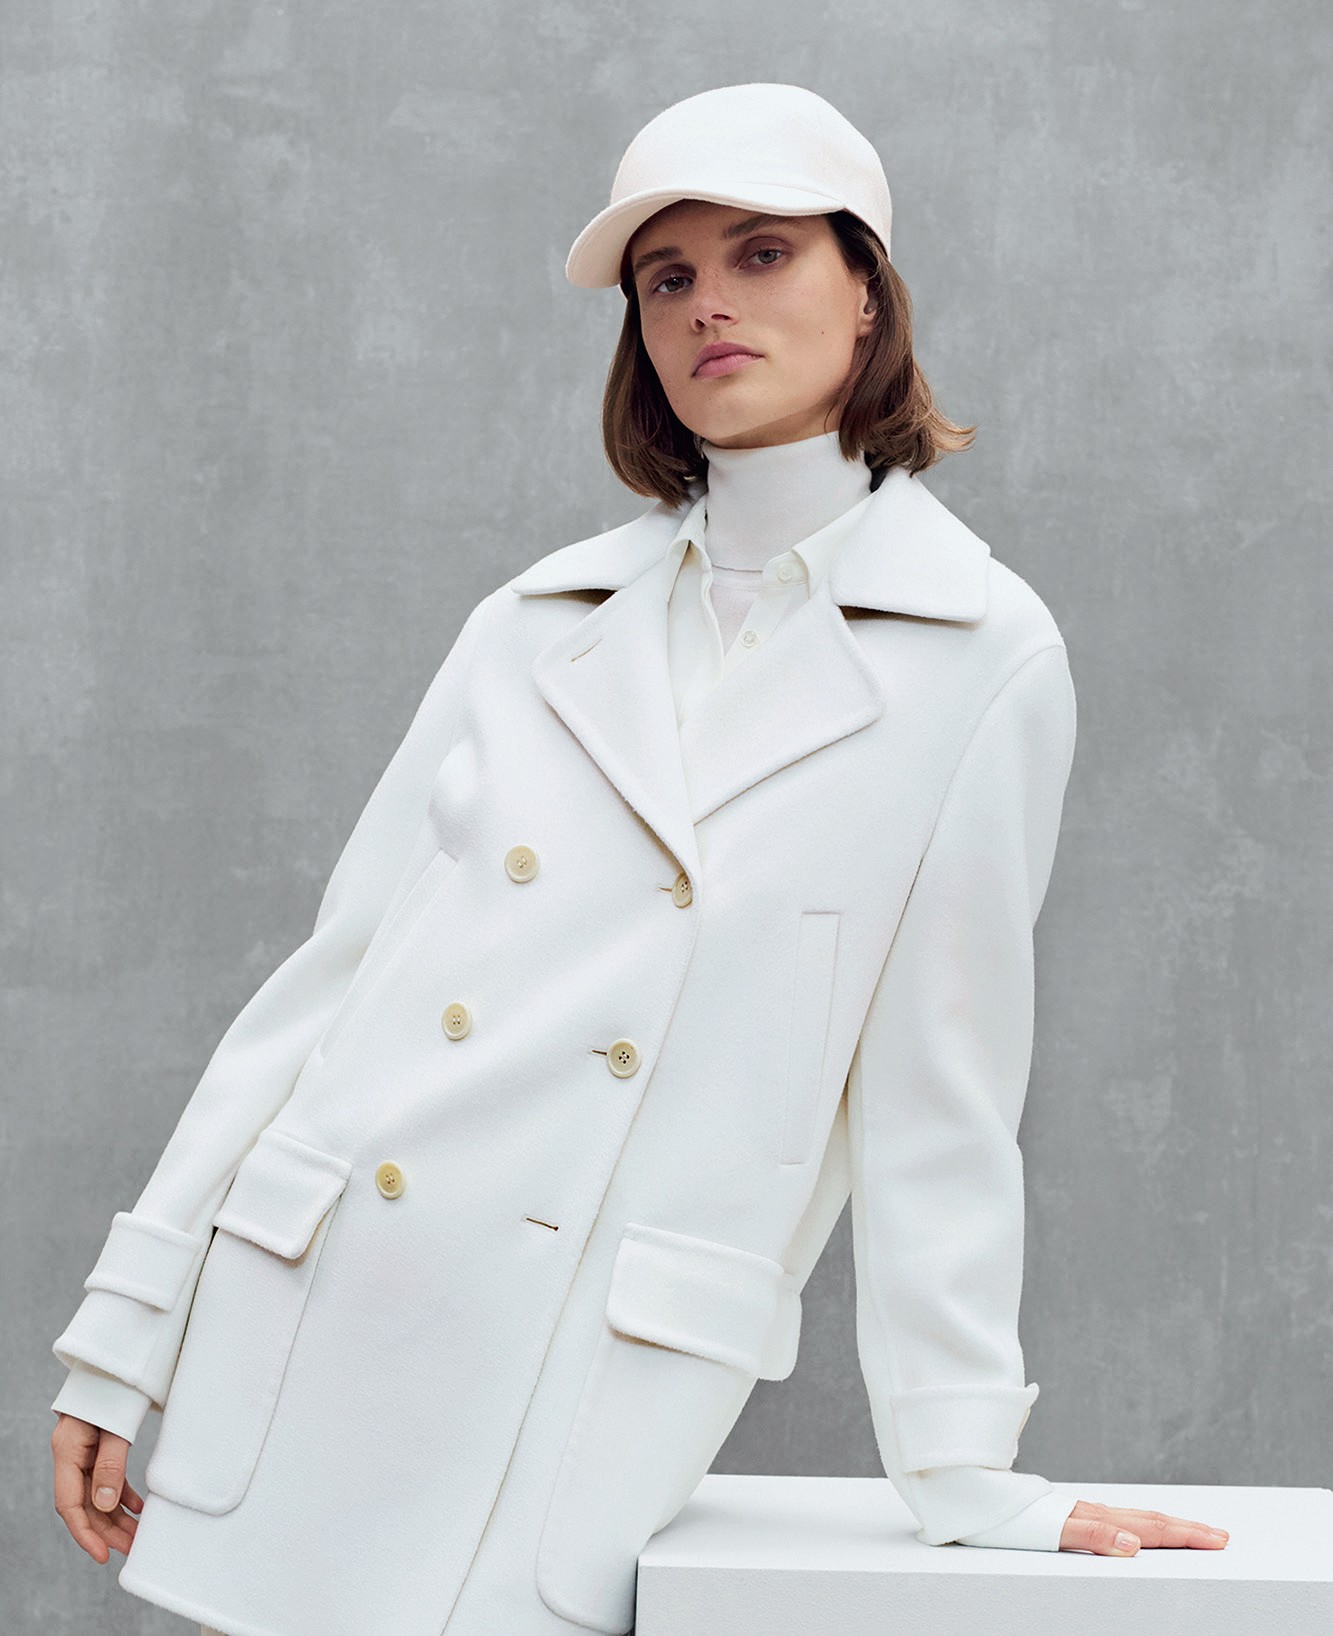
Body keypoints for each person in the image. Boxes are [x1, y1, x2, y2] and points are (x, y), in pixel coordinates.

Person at [50, 82, 1228, 1636]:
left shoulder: (978, 651)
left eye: (761, 254)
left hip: (581, 1364)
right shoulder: (535, 621)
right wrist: (127, 1326)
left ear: (866, 291)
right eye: (666, 278)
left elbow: (940, 1090)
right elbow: (328, 987)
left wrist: (964, 1469)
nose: (706, 305)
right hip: (321, 1298)